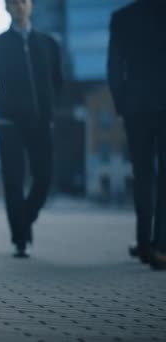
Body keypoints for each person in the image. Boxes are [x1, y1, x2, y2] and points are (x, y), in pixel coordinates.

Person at [0, 0, 63, 258]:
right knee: (13, 181)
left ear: (31, 6)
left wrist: (48, 108)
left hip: (40, 122)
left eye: (23, 2)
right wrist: (5, 104)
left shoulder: (48, 44)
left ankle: (24, 219)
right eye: (13, 3)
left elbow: (58, 80)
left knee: (44, 177)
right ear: (6, 8)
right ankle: (21, 238)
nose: (19, 7)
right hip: (9, 124)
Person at [108, 0, 166, 270]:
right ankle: (160, 244)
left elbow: (114, 68)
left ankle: (144, 242)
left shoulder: (122, 17)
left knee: (143, 175)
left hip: (136, 108)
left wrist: (122, 105)